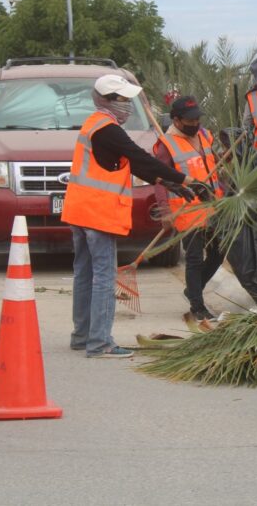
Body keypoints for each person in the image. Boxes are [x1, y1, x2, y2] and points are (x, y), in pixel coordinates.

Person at [61, 74, 199, 358]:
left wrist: (167, 182)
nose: (127, 105)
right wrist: (185, 179)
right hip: (98, 214)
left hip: (80, 210)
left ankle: (82, 336)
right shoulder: (109, 129)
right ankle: (100, 343)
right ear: (108, 101)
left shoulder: (93, 124)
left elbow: (132, 164)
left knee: (84, 274)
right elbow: (139, 157)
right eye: (123, 100)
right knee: (104, 277)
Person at [153, 96, 225, 322]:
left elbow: (214, 163)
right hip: (187, 210)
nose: (195, 124)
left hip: (213, 205)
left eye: (197, 119)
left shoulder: (204, 135)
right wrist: (164, 210)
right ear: (176, 120)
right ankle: (197, 306)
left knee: (218, 253)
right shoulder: (167, 145)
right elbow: (159, 179)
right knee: (194, 258)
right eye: (190, 120)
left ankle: (193, 290)